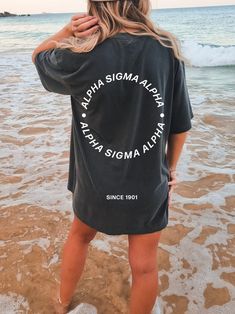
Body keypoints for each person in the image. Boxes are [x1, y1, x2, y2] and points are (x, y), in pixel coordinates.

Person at [32, 0, 194, 313]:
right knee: (145, 266)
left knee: (79, 238)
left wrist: (68, 30)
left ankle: (60, 304)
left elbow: (38, 56)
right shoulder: (167, 50)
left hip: (95, 183)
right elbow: (180, 124)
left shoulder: (79, 53)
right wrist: (170, 172)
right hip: (148, 183)